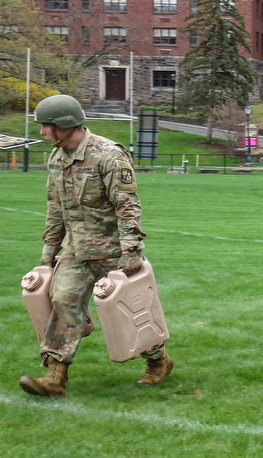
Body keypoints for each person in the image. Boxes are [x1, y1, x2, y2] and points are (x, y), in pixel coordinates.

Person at [19, 94, 173, 397]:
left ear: (64, 125)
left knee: (129, 309)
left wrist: (130, 251)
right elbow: (56, 210)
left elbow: (127, 206)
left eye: (46, 126)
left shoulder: (108, 155)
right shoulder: (56, 159)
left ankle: (158, 361)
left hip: (114, 250)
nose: (42, 132)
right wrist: (48, 254)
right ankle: (55, 377)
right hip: (76, 250)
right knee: (63, 300)